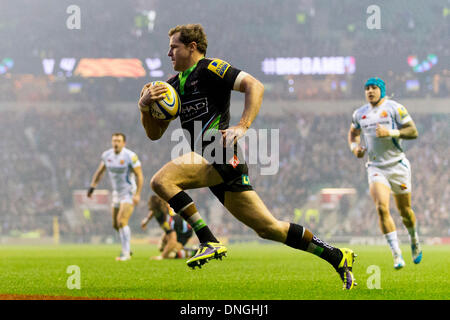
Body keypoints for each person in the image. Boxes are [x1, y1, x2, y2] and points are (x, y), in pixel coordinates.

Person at [138, 23, 356, 289]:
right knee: (269, 229)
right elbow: (154, 134)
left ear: (192, 47)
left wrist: (242, 125)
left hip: (219, 151)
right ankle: (337, 256)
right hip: (213, 159)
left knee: (161, 181)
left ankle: (208, 239)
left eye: (174, 47)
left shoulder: (210, 68)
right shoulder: (171, 86)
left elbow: (255, 85)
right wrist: (144, 107)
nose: (169, 53)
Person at [348, 77, 422, 269]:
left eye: (374, 88)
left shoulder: (395, 108)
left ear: (381, 90)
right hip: (376, 167)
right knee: (382, 207)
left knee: (405, 211)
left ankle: (414, 239)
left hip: (397, 166)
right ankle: (397, 255)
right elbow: (353, 134)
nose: (370, 91)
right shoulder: (359, 113)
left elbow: (413, 131)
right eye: (367, 88)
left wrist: (391, 133)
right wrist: (355, 148)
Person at [87, 133, 144, 261]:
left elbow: (139, 175)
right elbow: (100, 172)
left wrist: (138, 194)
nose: (116, 143)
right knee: (115, 225)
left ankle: (126, 253)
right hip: (116, 193)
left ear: (124, 143)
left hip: (128, 192)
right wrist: (92, 187)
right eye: (114, 141)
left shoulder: (130, 156)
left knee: (122, 221)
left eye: (118, 141)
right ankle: (127, 247)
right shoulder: (107, 155)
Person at [141, 195, 197, 260]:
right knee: (161, 248)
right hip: (175, 230)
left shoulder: (167, 220)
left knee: (171, 255)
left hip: (184, 233)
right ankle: (177, 250)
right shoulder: (158, 210)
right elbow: (152, 213)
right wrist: (146, 221)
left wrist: (162, 257)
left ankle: (194, 251)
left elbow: (172, 241)